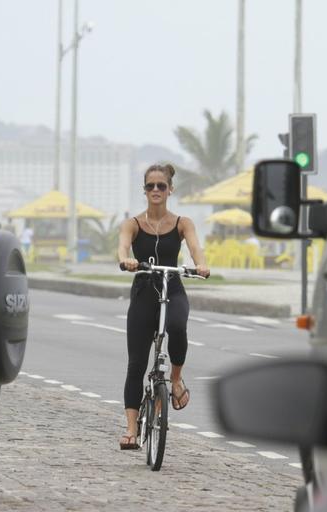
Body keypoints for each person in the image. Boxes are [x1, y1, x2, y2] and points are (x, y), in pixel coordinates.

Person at [117, 163, 210, 450]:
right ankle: (131, 430)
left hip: (173, 287)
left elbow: (195, 247)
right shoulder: (132, 224)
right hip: (144, 291)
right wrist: (127, 260)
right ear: (144, 190)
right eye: (150, 186)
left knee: (178, 326)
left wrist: (201, 264)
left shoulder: (183, 222)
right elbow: (122, 246)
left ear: (170, 189)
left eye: (161, 186)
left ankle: (176, 378)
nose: (155, 190)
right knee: (136, 363)